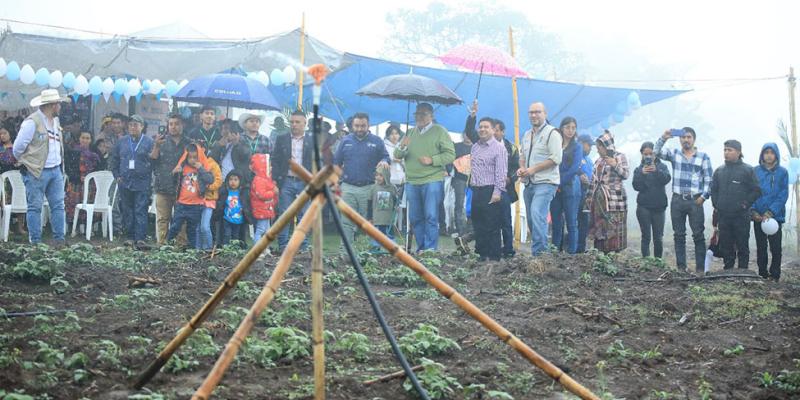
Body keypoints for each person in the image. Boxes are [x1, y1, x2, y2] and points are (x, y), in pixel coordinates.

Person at [394, 103, 455, 252]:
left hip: (432, 180)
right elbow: (397, 155)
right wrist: (402, 147)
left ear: (431, 116)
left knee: (431, 216)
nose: (419, 117)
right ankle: (421, 248)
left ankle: (430, 250)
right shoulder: (409, 132)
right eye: (417, 114)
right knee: (415, 218)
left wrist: (432, 160)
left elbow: (450, 154)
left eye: (423, 114)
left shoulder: (440, 131)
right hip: (412, 181)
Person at [12, 89, 69, 245]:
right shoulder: (32, 122)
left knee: (58, 206)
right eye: (58, 103)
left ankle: (59, 241)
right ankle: (35, 243)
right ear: (51, 105)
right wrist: (28, 163)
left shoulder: (55, 121)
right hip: (36, 171)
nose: (60, 106)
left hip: (55, 169)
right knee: (35, 207)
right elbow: (17, 148)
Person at [654, 127, 714, 272]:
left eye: (688, 137)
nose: (686, 140)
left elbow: (709, 180)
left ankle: (700, 269)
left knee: (698, 235)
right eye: (683, 137)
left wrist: (703, 197)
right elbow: (656, 152)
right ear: (680, 139)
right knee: (679, 235)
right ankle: (681, 268)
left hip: (695, 200)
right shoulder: (674, 154)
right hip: (678, 200)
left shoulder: (703, 157)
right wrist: (665, 137)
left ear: (694, 139)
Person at [333, 112, 391, 245]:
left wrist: (384, 161)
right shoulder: (345, 141)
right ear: (352, 126)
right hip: (348, 188)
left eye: (363, 126)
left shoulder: (377, 141)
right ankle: (346, 253)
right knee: (346, 222)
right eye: (357, 126)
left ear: (368, 125)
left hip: (369, 188)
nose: (359, 129)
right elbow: (335, 162)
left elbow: (386, 157)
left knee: (369, 222)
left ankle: (366, 252)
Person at [517, 102, 562, 255]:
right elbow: (522, 156)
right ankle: (542, 252)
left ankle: (540, 255)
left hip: (546, 182)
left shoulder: (552, 133)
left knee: (537, 213)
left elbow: (556, 159)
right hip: (529, 183)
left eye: (537, 112)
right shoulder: (527, 134)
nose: (534, 115)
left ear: (545, 113)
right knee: (531, 219)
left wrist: (532, 170)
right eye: (531, 112)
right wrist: (522, 168)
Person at [710, 140, 760, 271]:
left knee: (742, 244)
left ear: (738, 152)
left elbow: (756, 190)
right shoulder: (719, 171)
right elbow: (713, 189)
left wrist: (745, 204)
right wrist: (717, 204)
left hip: (741, 216)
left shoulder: (747, 170)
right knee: (726, 244)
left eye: (730, 150)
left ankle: (743, 271)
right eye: (725, 150)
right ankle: (728, 270)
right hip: (724, 215)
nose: (726, 153)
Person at [111, 114, 154, 249]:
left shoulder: (148, 142)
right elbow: (114, 159)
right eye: (130, 125)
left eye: (136, 124)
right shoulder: (122, 141)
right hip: (125, 181)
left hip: (142, 182)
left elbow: (154, 161)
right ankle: (129, 237)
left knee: (140, 209)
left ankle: (140, 238)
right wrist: (116, 175)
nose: (133, 127)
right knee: (127, 210)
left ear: (142, 126)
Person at [272, 111, 313, 252]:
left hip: (304, 182)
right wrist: (276, 182)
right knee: (284, 214)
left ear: (304, 124)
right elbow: (275, 160)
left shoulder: (312, 140)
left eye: (297, 122)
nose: (294, 125)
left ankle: (302, 246)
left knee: (304, 215)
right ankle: (283, 245)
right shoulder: (282, 138)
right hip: (286, 181)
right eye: (292, 122)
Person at [469, 117, 508, 261]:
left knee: (492, 225)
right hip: (476, 190)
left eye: (486, 127)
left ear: (493, 130)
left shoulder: (499, 148)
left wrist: (497, 192)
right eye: (480, 127)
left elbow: (501, 172)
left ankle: (494, 257)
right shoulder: (475, 147)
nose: (482, 129)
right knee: (478, 223)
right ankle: (481, 254)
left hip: (491, 190)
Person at [586, 131, 629, 253]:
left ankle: (614, 254)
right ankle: (601, 253)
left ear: (606, 146)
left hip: (615, 201)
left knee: (614, 227)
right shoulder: (598, 161)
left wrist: (615, 165)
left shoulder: (620, 157)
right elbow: (593, 181)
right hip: (599, 202)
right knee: (600, 227)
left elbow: (625, 174)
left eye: (599, 146)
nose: (598, 149)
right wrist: (588, 200)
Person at [150, 113, 190, 245]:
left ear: (182, 125)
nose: (173, 127)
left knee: (182, 219)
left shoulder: (189, 143)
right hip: (163, 185)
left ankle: (180, 245)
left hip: (182, 187)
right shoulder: (160, 141)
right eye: (171, 124)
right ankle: (162, 245)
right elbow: (152, 161)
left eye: (177, 124)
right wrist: (156, 145)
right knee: (162, 218)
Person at [752, 143, 789, 281]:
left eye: (771, 152)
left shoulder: (782, 172)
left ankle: (775, 274)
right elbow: (751, 192)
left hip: (775, 218)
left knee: (775, 248)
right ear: (762, 154)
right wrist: (753, 211)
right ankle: (762, 272)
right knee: (761, 247)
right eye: (766, 152)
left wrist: (771, 211)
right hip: (758, 217)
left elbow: (783, 194)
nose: (768, 155)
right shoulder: (755, 171)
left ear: (776, 155)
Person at [167, 144, 213, 249]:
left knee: (192, 230)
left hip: (196, 206)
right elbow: (173, 182)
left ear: (200, 157)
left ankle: (192, 250)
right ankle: (167, 245)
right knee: (175, 226)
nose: (192, 160)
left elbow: (210, 179)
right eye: (190, 157)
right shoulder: (183, 167)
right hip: (181, 204)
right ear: (186, 157)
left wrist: (201, 168)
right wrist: (174, 173)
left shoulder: (203, 168)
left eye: (195, 157)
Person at [549, 117, 583, 254]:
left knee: (571, 221)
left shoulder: (577, 146)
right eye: (567, 127)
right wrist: (554, 183)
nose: (570, 130)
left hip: (570, 186)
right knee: (556, 222)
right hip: (554, 187)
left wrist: (559, 182)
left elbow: (575, 168)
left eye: (573, 128)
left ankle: (572, 253)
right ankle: (555, 251)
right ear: (561, 128)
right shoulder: (555, 143)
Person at [632, 142, 671, 258]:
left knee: (658, 237)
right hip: (643, 207)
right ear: (642, 155)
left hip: (659, 207)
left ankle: (658, 261)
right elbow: (636, 186)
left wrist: (656, 171)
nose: (648, 156)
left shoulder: (662, 167)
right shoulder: (638, 170)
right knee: (646, 236)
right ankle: (646, 261)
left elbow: (666, 179)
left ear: (655, 154)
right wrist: (642, 174)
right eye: (645, 154)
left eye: (651, 154)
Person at [492, 119, 520, 258]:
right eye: (493, 130)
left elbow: (517, 167)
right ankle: (495, 249)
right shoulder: (485, 146)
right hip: (489, 189)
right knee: (493, 220)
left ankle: (509, 249)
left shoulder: (511, 148)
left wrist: (510, 178)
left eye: (497, 130)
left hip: (505, 189)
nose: (494, 133)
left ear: (503, 132)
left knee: (506, 220)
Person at [64, 131, 100, 229]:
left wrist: (89, 177)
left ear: (91, 140)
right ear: (79, 139)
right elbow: (69, 168)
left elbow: (98, 170)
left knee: (89, 203)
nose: (85, 140)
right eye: (83, 138)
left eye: (87, 138)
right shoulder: (73, 152)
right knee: (73, 203)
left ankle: (87, 226)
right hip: (76, 183)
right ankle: (73, 226)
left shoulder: (95, 154)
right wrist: (79, 177)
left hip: (90, 185)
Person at [215, 170, 251, 247]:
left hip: (238, 220)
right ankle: (226, 249)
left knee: (236, 237)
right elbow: (221, 204)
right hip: (227, 218)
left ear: (240, 181)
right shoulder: (225, 192)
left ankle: (235, 251)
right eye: (231, 179)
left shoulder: (242, 193)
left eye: (235, 180)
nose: (233, 182)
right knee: (226, 235)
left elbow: (246, 205)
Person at [250, 153, 278, 246]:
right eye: (269, 165)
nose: (271, 167)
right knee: (260, 230)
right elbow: (261, 194)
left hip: (266, 209)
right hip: (261, 209)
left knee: (266, 230)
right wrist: (273, 192)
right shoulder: (259, 180)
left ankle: (265, 249)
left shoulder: (265, 179)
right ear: (262, 166)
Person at [210, 120, 250, 185]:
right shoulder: (218, 142)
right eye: (223, 128)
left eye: (227, 128)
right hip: (222, 181)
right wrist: (218, 146)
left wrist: (236, 144)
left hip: (238, 182)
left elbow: (246, 155)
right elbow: (211, 160)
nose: (224, 131)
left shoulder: (242, 140)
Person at [1, 126, 25, 235]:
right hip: (3, 179)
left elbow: (22, 160)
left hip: (17, 178)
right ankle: (6, 226)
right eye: (0, 134)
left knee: (20, 200)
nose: (2, 136)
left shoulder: (16, 147)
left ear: (10, 134)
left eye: (4, 133)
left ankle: (20, 227)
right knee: (5, 202)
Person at [370, 166, 398, 252]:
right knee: (377, 233)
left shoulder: (392, 188)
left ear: (386, 176)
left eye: (380, 175)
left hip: (388, 218)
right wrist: (369, 216)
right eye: (376, 175)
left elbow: (395, 201)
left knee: (389, 232)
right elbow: (369, 202)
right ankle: (375, 247)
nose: (377, 177)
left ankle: (392, 247)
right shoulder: (374, 188)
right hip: (377, 217)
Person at [576, 134, 594, 253]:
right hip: (575, 194)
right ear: (581, 143)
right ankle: (572, 248)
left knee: (584, 222)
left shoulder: (589, 160)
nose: (590, 149)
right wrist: (579, 176)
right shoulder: (574, 156)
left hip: (586, 196)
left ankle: (581, 249)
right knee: (573, 222)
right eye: (589, 146)